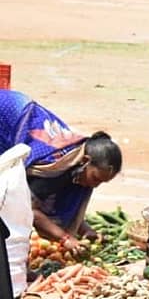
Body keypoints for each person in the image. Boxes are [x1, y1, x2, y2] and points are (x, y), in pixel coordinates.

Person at [0, 90, 122, 255]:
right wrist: (65, 238)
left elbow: (56, 198)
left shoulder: (76, 162)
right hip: (7, 116)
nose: (94, 185)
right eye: (95, 178)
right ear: (85, 161)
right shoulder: (54, 166)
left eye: (101, 183)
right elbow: (29, 211)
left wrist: (84, 229)